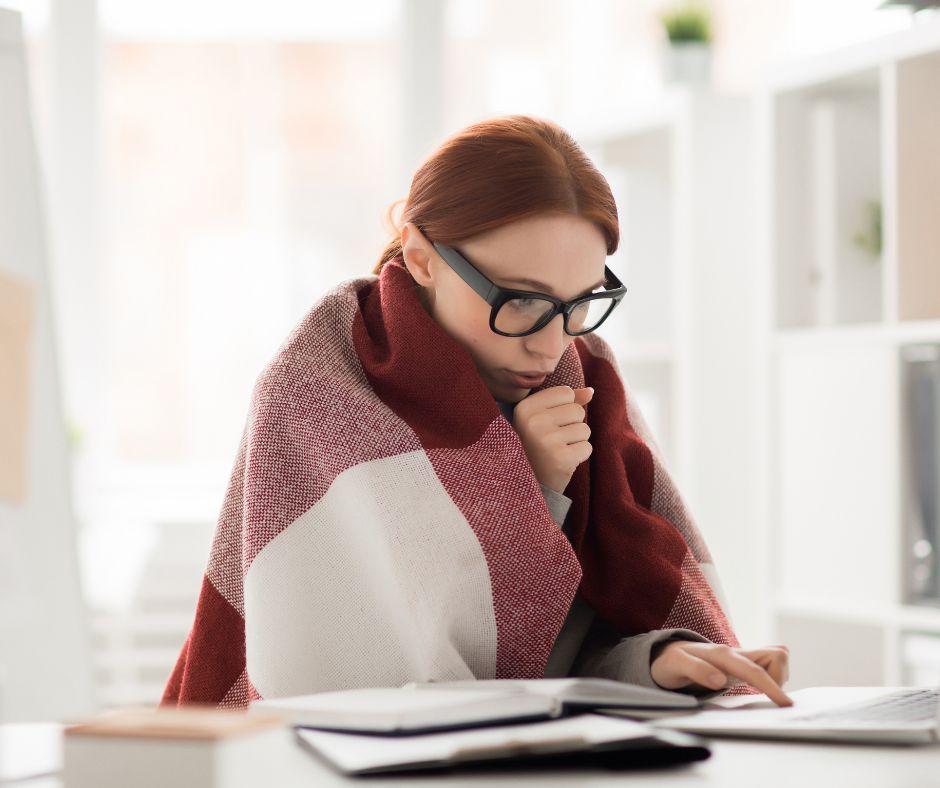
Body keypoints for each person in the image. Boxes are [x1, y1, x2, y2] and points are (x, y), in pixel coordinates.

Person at [161, 115, 791, 709]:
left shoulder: (588, 377)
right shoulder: (318, 389)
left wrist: (662, 660)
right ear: (422, 256)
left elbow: (555, 665)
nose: (550, 343)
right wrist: (531, 483)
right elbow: (399, 678)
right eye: (520, 301)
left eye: (580, 303)